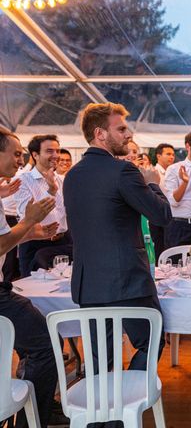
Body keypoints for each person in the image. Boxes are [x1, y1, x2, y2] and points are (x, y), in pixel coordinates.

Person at [64, 102, 172, 373]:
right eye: (121, 128)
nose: (129, 134)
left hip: (88, 283)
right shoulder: (123, 171)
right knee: (152, 340)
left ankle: (103, 413)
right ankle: (126, 400)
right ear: (100, 134)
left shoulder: (72, 175)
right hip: (127, 281)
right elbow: (161, 216)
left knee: (101, 358)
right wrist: (152, 181)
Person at [0, 127, 64, 428]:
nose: (19, 159)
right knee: (44, 343)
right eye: (15, 154)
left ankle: (36, 407)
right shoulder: (23, 182)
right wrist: (29, 221)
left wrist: (33, 227)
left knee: (34, 341)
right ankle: (32, 418)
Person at [15, 135, 72, 276]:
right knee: (34, 291)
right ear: (35, 155)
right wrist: (51, 191)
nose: (56, 155)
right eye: (49, 151)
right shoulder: (23, 180)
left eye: (57, 151)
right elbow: (29, 216)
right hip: (35, 243)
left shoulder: (63, 180)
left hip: (64, 242)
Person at [150, 143, 175, 260]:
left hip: (172, 214)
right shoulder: (153, 172)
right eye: (168, 154)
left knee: (170, 249)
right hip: (158, 214)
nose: (171, 157)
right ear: (158, 156)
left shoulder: (175, 171)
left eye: (173, 155)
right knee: (159, 248)